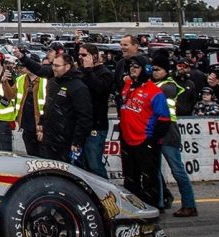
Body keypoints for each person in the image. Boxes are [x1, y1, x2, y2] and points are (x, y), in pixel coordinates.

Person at [119, 55, 171, 210]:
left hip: (145, 140)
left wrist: (152, 140)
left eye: (136, 66)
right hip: (127, 139)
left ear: (145, 69)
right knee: (129, 177)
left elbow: (164, 120)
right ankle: (133, 207)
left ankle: (153, 207)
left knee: (149, 178)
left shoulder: (154, 91)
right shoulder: (128, 86)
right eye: (131, 66)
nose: (132, 69)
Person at [150, 53, 197, 217]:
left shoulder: (168, 86)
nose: (154, 72)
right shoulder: (158, 84)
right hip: (157, 130)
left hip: (168, 132)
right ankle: (159, 202)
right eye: (153, 69)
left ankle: (189, 205)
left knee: (177, 171)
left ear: (165, 70)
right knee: (155, 171)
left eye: (158, 69)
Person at [38, 54, 92, 162]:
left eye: (57, 66)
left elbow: (84, 116)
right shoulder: (52, 82)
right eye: (53, 65)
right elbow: (48, 106)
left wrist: (77, 141)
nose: (54, 68)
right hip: (49, 137)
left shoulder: (78, 86)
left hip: (66, 140)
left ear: (67, 66)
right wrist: (41, 124)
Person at [78, 43, 113, 178]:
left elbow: (100, 88)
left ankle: (104, 189)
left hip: (97, 125)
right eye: (79, 55)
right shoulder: (81, 71)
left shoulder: (104, 73)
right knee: (83, 164)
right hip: (82, 124)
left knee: (94, 164)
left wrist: (89, 70)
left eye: (84, 55)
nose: (81, 58)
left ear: (94, 56)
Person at [13, 57, 47, 157]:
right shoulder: (20, 79)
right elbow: (10, 96)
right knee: (31, 155)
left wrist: (43, 127)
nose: (26, 67)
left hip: (41, 124)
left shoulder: (45, 81)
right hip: (26, 125)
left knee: (43, 156)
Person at [113, 35, 140, 110]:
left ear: (135, 46)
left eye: (125, 45)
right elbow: (115, 83)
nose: (122, 47)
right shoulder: (120, 63)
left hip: (138, 108)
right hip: (122, 108)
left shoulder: (144, 62)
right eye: (121, 45)